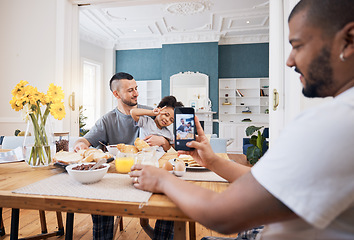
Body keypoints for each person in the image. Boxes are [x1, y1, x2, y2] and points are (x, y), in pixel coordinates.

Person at [129, 0, 354, 239]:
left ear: (349, 40)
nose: (289, 60)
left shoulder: (336, 122)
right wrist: (213, 160)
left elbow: (221, 216)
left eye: (297, 45)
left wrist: (163, 180)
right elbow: (266, 183)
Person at [74, 72, 170, 240]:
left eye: (136, 89)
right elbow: (86, 139)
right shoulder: (107, 120)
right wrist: (80, 145)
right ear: (116, 94)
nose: (136, 93)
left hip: (149, 174)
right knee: (98, 197)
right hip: (117, 180)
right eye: (130, 90)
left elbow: (168, 143)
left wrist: (162, 139)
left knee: (173, 196)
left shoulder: (149, 112)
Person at [131, 95, 183, 239]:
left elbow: (169, 146)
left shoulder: (167, 132)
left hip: (160, 161)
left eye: (171, 119)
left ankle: (161, 233)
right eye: (166, 114)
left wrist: (162, 141)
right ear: (159, 109)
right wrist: (153, 112)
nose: (167, 119)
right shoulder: (146, 121)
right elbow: (133, 113)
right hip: (145, 159)